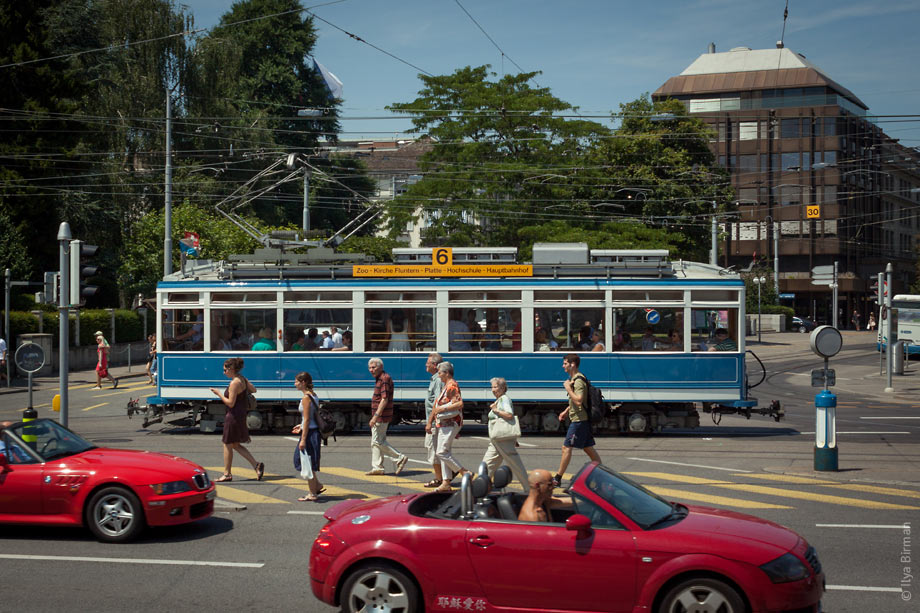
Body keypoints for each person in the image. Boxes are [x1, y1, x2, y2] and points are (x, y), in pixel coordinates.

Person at [209, 357, 264, 482]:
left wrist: (218, 393)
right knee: (235, 444)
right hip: (241, 414)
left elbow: (230, 403)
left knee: (227, 444)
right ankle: (256, 465)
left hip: (233, 416)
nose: (224, 372)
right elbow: (254, 390)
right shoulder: (242, 379)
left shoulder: (234, 383)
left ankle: (227, 474)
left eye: (225, 370)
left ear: (231, 369)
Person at [552, 354, 601, 487]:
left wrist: (568, 388)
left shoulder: (578, 380)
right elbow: (577, 401)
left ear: (572, 364)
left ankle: (557, 478)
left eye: (565, 363)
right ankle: (602, 474)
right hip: (579, 419)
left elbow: (579, 400)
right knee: (588, 449)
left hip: (579, 420)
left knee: (566, 448)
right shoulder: (574, 378)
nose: (563, 366)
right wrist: (566, 411)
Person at [481, 377, 528, 491]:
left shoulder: (504, 399)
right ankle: (481, 487)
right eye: (492, 387)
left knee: (515, 464)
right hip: (497, 439)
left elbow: (509, 415)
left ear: (502, 388)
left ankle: (529, 488)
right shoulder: (499, 400)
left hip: (502, 439)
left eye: (496, 387)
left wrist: (496, 410)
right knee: (487, 464)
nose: (493, 389)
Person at [427, 360, 468, 492]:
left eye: (440, 373)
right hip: (444, 423)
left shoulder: (452, 386)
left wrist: (442, 409)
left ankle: (464, 472)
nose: (438, 375)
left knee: (441, 452)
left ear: (446, 373)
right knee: (444, 452)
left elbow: (459, 404)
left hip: (450, 422)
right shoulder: (447, 385)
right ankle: (446, 482)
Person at [366, 357, 409, 476]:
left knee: (377, 441)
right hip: (382, 415)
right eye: (369, 367)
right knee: (376, 441)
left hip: (382, 416)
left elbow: (384, 399)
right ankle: (377, 467)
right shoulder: (380, 378)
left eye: (373, 367)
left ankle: (399, 457)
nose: (371, 370)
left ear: (381, 367)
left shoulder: (384, 379)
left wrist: (375, 416)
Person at [292, 372, 325, 502]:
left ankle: (312, 493)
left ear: (303, 382)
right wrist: (300, 426)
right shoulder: (314, 395)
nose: (294, 384)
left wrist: (303, 439)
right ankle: (317, 485)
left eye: (296, 382)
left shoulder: (306, 398)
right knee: (304, 461)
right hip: (312, 431)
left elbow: (306, 420)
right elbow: (309, 418)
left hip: (310, 434)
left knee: (306, 463)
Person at [422, 352, 446, 487]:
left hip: (434, 422)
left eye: (428, 362)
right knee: (437, 449)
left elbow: (437, 402)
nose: (426, 364)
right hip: (434, 420)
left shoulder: (437, 380)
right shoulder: (435, 379)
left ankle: (439, 479)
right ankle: (447, 474)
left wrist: (430, 422)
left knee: (433, 450)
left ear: (435, 365)